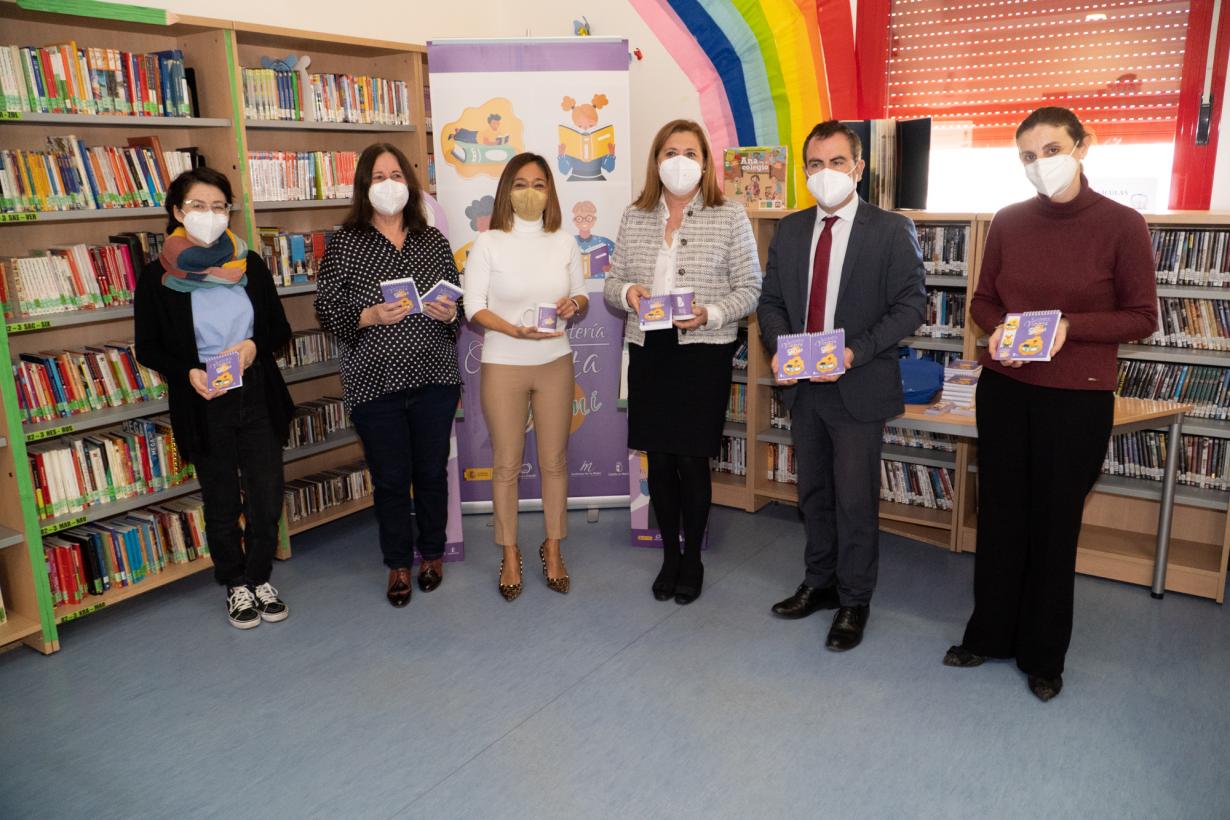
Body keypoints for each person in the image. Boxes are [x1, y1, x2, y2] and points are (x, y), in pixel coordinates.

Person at [943, 107, 1157, 701]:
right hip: (1006, 390)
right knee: (1001, 516)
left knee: (1054, 524)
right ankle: (988, 635)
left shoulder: (1122, 224)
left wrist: (1069, 327)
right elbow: (983, 302)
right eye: (1028, 156)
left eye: (1052, 149)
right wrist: (1001, 330)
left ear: (1083, 146)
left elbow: (1142, 316)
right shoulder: (1009, 221)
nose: (1041, 164)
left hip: (1076, 398)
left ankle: (1043, 656)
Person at [758, 120, 926, 652]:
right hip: (804, 387)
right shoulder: (790, 229)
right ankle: (820, 582)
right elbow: (771, 302)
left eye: (836, 162)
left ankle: (854, 599)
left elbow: (911, 306)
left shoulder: (890, 229)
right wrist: (781, 347)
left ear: (858, 168)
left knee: (855, 499)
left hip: (858, 384)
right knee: (813, 493)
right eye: (815, 164)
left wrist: (854, 352)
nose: (824, 172)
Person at [604, 119, 762, 605]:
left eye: (690, 153)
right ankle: (669, 556)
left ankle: (692, 557)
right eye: (670, 152)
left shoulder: (729, 215)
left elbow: (751, 289)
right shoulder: (635, 215)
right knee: (659, 458)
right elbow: (612, 283)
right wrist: (629, 293)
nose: (680, 161)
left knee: (692, 460)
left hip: (703, 351)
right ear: (656, 161)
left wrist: (710, 313)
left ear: (705, 162)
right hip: (650, 349)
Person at [135, 167, 294, 630]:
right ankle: (235, 583)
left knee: (266, 496)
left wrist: (253, 347)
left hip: (257, 391)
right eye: (198, 206)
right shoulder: (157, 277)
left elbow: (278, 328)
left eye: (219, 206)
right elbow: (148, 347)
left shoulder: (249, 265)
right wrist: (187, 372)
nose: (210, 214)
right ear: (177, 211)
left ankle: (260, 577)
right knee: (222, 500)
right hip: (203, 399)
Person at [315, 143, 462, 608]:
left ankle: (433, 553)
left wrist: (447, 313)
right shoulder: (345, 243)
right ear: (364, 186)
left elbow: (456, 306)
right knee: (392, 479)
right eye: (378, 177)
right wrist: (369, 315)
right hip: (375, 383)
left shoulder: (432, 240)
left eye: (396, 175)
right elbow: (327, 307)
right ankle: (398, 562)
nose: (389, 185)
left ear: (409, 183)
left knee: (431, 472)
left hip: (435, 377)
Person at [464, 152, 588, 601]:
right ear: (506, 191)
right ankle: (510, 552)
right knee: (506, 464)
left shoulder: (565, 242)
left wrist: (575, 304)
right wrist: (512, 329)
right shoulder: (488, 242)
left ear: (550, 191)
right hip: (503, 363)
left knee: (554, 462)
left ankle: (552, 548)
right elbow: (473, 306)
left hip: (555, 360)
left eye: (538, 184)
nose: (530, 192)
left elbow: (581, 295)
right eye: (520, 184)